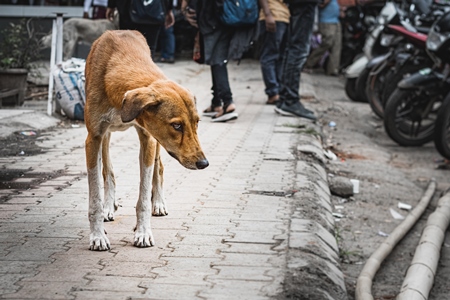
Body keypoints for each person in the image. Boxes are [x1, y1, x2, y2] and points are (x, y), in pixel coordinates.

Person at [274, 0, 321, 120]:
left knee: (292, 48)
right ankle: (290, 101)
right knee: (298, 49)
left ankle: (284, 98)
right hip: (304, 3)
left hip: (298, 3)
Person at [106, 0, 174, 54]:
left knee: (128, 48)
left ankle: (130, 70)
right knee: (150, 49)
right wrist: (169, 9)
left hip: (128, 12)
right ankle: (146, 70)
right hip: (154, 11)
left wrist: (111, 5)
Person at [258, 0, 290, 105]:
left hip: (284, 17)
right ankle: (272, 92)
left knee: (281, 57)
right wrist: (268, 14)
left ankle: (278, 91)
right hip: (273, 16)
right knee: (269, 56)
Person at [305, 0, 342, 75]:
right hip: (326, 21)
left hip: (336, 20)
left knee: (336, 45)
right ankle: (309, 63)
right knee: (327, 43)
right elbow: (321, 4)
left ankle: (333, 70)